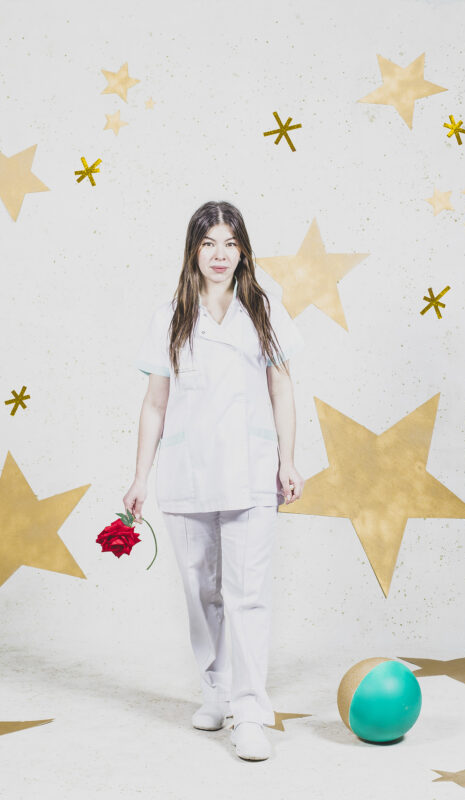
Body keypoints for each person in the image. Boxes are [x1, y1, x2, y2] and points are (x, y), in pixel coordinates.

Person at [123, 200, 306, 761]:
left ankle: (249, 712)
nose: (220, 255)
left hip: (251, 471)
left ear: (243, 250)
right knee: (200, 591)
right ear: (194, 251)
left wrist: (288, 460)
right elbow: (155, 404)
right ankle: (216, 691)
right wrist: (140, 476)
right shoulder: (170, 317)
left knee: (247, 595)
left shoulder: (263, 311)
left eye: (230, 243)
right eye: (209, 244)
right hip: (189, 472)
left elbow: (282, 388)